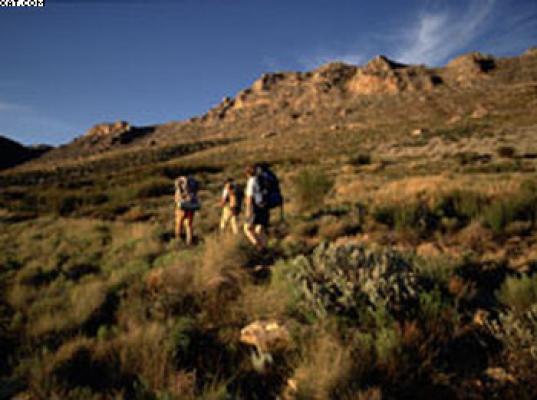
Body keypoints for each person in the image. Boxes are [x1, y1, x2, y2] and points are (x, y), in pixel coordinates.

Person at [243, 165, 269, 250]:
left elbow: (249, 198)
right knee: (259, 228)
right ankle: (266, 249)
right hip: (264, 206)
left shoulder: (251, 181)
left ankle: (259, 247)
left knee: (247, 228)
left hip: (255, 208)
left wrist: (248, 211)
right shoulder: (263, 180)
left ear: (247, 173)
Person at [175, 175, 200, 246]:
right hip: (191, 207)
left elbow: (177, 199)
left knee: (179, 224)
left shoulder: (179, 190)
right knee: (189, 225)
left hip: (181, 209)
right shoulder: (193, 192)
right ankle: (189, 241)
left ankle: (178, 239)